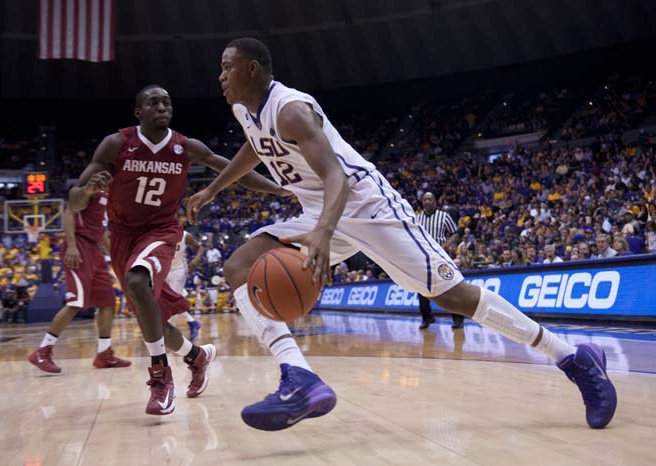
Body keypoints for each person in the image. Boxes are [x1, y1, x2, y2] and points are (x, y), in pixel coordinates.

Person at [187, 37, 617, 431]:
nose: (221, 76)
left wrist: (322, 233)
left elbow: (336, 175)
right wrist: (212, 187)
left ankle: (573, 358)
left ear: (255, 70)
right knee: (239, 267)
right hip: (319, 209)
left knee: (451, 295)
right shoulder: (246, 111)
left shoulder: (291, 109)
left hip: (364, 204)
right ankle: (299, 377)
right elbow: (255, 146)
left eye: (228, 67)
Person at [69, 84, 284, 415]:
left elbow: (234, 171)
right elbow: (75, 199)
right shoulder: (117, 143)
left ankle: (161, 377)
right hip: (124, 236)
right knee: (149, 317)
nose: (162, 107)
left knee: (140, 282)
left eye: (166, 102)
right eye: (153, 103)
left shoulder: (186, 146)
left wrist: (279, 190)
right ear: (139, 112)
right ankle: (196, 357)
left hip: (161, 230)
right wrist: (87, 190)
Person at [28, 196, 131, 373]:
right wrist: (72, 245)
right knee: (76, 303)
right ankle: (43, 351)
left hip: (94, 249)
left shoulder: (112, 198)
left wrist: (117, 258)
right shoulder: (91, 188)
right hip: (78, 245)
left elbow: (103, 234)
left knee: (107, 301)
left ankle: (104, 354)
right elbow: (69, 212)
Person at [415, 192, 464, 330]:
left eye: (430, 199)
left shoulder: (444, 216)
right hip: (424, 257)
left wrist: (446, 245)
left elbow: (455, 232)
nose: (427, 202)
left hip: (442, 256)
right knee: (421, 287)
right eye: (424, 199)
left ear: (435, 202)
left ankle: (458, 319)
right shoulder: (417, 218)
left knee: (451, 285)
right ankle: (427, 317)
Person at [166, 228, 205, 341]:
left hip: (179, 270)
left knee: (172, 301)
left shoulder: (185, 236)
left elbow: (200, 247)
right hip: (163, 270)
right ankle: (193, 322)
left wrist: (196, 258)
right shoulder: (159, 234)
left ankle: (168, 331)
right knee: (166, 300)